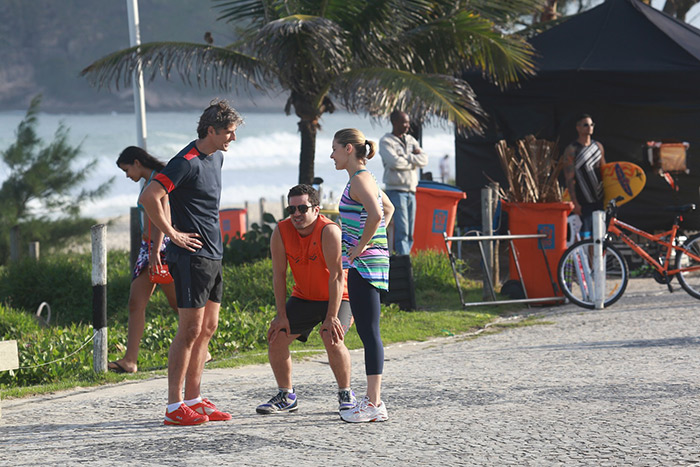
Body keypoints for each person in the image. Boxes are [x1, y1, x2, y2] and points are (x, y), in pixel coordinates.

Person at [140, 99, 243, 426]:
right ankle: (174, 406)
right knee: (189, 330)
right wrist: (171, 234)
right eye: (228, 132)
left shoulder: (218, 158)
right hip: (190, 257)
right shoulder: (185, 161)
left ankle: (195, 399)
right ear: (210, 130)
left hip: (213, 254)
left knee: (208, 329)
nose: (232, 139)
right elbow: (150, 196)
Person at [256, 184, 356, 415]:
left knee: (331, 336)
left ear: (316, 209)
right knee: (276, 338)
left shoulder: (329, 231)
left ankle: (345, 393)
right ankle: (286, 395)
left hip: (339, 296)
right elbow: (279, 276)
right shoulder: (281, 232)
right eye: (291, 209)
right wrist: (281, 315)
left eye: (302, 208)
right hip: (304, 296)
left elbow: (337, 276)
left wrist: (331, 317)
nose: (297, 214)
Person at [331, 128, 395, 423]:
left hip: (365, 263)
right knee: (369, 331)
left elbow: (378, 213)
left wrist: (362, 245)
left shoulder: (359, 179)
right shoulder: (363, 178)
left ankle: (374, 402)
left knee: (369, 333)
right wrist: (373, 241)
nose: (331, 155)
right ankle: (373, 401)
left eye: (334, 149)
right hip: (369, 261)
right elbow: (388, 208)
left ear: (347, 149)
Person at [109, 147, 178, 374]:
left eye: (127, 169)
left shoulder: (158, 182)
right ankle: (130, 360)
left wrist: (156, 251)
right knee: (136, 303)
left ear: (137, 163)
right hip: (148, 248)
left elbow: (162, 217)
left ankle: (201, 348)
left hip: (159, 248)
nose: (127, 175)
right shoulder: (151, 182)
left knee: (179, 304)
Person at [379, 110, 428, 255]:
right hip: (396, 191)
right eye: (404, 122)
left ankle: (406, 261)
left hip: (411, 191)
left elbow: (424, 160)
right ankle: (403, 261)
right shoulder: (386, 141)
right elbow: (394, 163)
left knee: (410, 231)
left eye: (408, 122)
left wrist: (406, 158)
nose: (407, 126)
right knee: (402, 230)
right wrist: (413, 160)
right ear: (395, 123)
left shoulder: (412, 140)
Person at [563, 114, 606, 239]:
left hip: (599, 198)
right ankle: (586, 259)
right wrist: (575, 202)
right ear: (578, 128)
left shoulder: (598, 147)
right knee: (584, 236)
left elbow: (605, 171)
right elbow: (569, 179)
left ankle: (596, 259)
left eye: (591, 124)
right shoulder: (572, 149)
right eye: (586, 125)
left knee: (598, 235)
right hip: (583, 200)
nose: (589, 127)